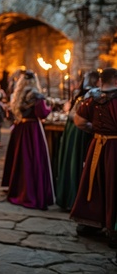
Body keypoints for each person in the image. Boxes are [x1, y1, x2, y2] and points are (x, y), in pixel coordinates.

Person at [70, 67, 117, 247]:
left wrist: (95, 130)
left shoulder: (91, 99)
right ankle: (112, 227)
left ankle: (92, 221)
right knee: (112, 184)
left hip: (97, 146)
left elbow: (78, 120)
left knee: (95, 182)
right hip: (114, 148)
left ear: (100, 81)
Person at [1, 70, 54, 210]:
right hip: (32, 130)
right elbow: (42, 114)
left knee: (21, 161)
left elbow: (11, 113)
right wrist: (50, 107)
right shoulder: (36, 95)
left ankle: (19, 190)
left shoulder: (17, 95)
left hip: (20, 129)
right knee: (33, 161)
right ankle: (30, 194)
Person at [55, 70, 100, 211]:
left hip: (74, 130)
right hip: (80, 133)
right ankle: (74, 199)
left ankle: (69, 198)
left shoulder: (81, 94)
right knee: (76, 162)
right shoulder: (91, 96)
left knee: (72, 162)